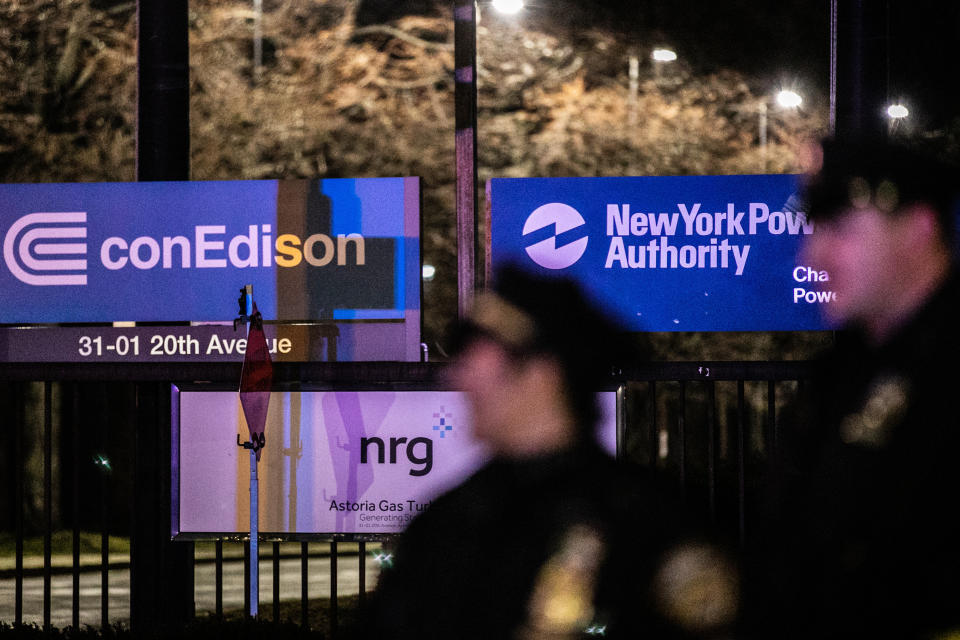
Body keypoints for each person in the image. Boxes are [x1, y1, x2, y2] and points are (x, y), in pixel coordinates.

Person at [360, 265, 739, 640]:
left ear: (542, 376)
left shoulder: (651, 525)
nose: (458, 378)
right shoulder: (445, 523)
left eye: (478, 363)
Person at [743, 137, 960, 639]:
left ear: (920, 227)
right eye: (814, 229)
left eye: (839, 229)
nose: (814, 253)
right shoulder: (841, 372)